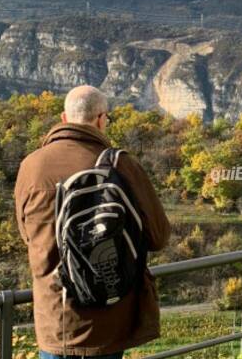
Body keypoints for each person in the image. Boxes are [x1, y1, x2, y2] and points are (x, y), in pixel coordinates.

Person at [14, 85, 171, 359]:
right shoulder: (121, 165)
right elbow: (159, 236)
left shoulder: (32, 166)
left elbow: (26, 235)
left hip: (56, 321)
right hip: (108, 321)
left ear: (64, 119)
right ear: (101, 119)